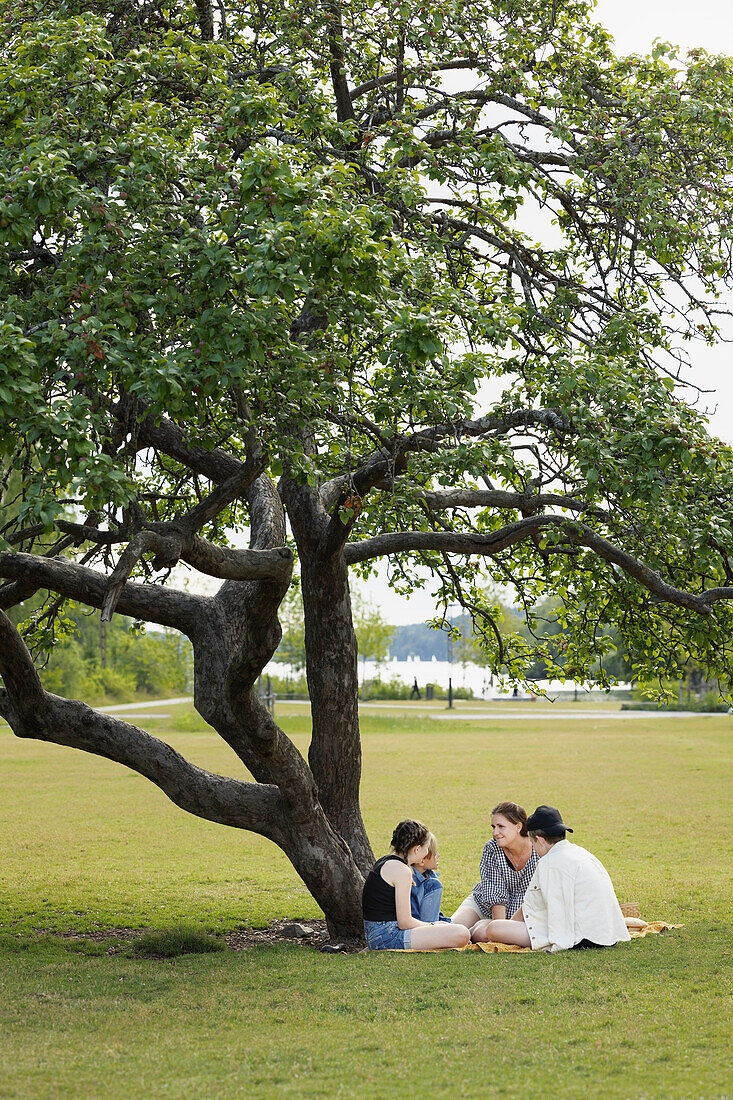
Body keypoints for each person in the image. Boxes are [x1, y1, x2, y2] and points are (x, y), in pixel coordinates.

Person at [484, 805, 631, 952]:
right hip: (606, 934)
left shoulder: (549, 863)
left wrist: (509, 927)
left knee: (494, 928)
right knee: (496, 927)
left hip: (580, 937)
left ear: (540, 840)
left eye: (532, 843)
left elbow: (542, 910)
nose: (533, 848)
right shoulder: (582, 853)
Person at [362, 820, 471, 951]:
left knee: (451, 929)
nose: (427, 852)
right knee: (462, 933)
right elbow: (405, 922)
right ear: (417, 849)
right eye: (426, 848)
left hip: (375, 935)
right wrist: (434, 925)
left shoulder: (385, 861)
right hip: (388, 937)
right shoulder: (403, 871)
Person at [450, 801, 538, 937]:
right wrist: (500, 927)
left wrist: (501, 931)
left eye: (501, 826)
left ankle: (474, 932)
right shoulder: (492, 847)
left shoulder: (537, 849)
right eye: (493, 826)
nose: (495, 832)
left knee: (480, 934)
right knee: (452, 929)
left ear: (518, 827)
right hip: (485, 904)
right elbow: (495, 893)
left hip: (520, 913)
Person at [411, 832, 451, 924]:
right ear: (422, 860)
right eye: (435, 852)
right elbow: (429, 923)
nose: (438, 855)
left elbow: (437, 914)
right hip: (424, 931)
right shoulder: (428, 885)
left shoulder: (428, 876)